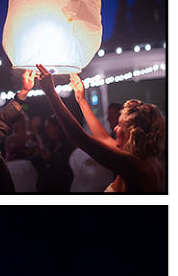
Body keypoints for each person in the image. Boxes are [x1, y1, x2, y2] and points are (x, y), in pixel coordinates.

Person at [36, 67, 165, 194]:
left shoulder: (135, 166)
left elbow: (80, 138)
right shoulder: (148, 161)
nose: (115, 128)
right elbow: (103, 138)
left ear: (132, 133)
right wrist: (81, 100)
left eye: (120, 125)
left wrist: (51, 93)